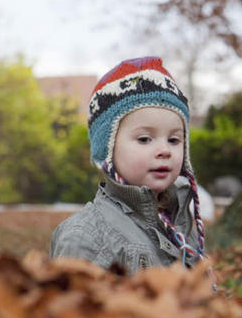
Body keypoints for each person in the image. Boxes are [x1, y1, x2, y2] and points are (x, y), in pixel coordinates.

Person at [50, 56, 206, 273]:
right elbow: (74, 305)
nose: (164, 150)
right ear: (108, 150)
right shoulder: (85, 236)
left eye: (174, 140)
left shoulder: (181, 220)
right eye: (144, 139)